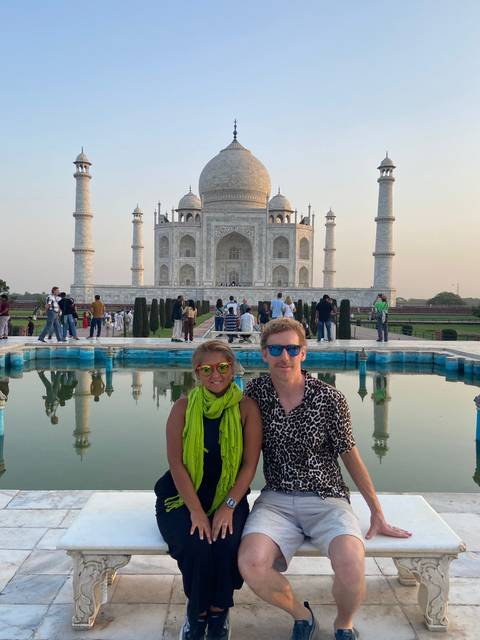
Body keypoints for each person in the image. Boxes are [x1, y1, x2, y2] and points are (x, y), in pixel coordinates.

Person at [238, 318, 411, 640]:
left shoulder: (329, 398)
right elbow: (239, 447)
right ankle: (302, 615)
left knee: (351, 564)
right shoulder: (255, 392)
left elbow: (350, 455)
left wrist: (376, 511)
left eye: (292, 348)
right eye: (276, 349)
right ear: (264, 354)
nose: (284, 356)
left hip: (327, 498)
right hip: (276, 499)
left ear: (304, 353)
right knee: (251, 563)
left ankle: (344, 624)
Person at [154, 340, 262, 640]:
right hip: (182, 497)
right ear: (197, 373)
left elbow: (249, 466)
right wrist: (197, 512)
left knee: (228, 545)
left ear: (232, 369)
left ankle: (218, 611)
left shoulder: (246, 408)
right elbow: (176, 464)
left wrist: (227, 506)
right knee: (197, 545)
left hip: (230, 495)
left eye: (223, 367)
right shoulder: (183, 407)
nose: (216, 375)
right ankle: (196, 613)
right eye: (207, 369)